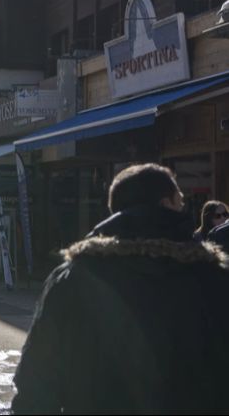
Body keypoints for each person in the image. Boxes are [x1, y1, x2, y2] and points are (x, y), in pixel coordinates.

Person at [12, 163, 229, 414]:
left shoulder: (73, 279)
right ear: (166, 203)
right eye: (180, 201)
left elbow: (35, 384)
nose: (184, 207)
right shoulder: (213, 278)